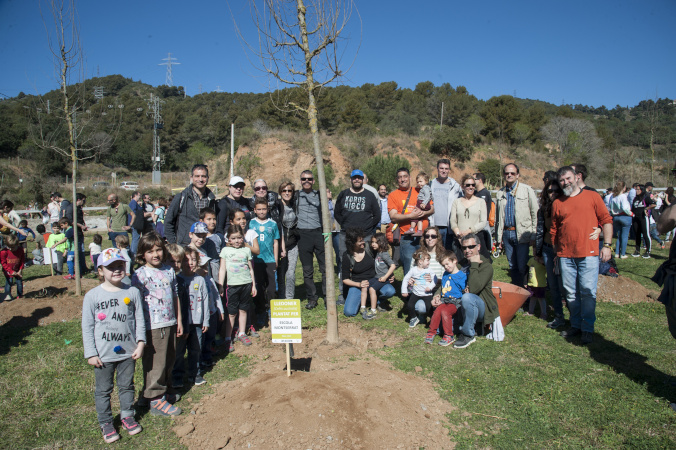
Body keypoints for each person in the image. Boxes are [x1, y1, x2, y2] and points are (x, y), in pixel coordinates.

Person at [81, 248, 145, 443]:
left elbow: (140, 319)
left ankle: (127, 416)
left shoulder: (132, 291)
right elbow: (87, 326)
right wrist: (91, 353)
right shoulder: (92, 296)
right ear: (100, 271)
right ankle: (106, 422)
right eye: (111, 267)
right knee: (103, 390)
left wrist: (141, 342)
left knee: (127, 386)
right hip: (103, 354)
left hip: (128, 352)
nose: (117, 270)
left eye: (120, 265)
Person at [551, 166, 613, 345]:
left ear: (576, 177)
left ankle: (587, 328)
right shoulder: (558, 202)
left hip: (588, 253)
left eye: (568, 178)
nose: (566, 182)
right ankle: (576, 325)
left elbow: (606, 220)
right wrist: (557, 251)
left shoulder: (592, 196)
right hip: (565, 256)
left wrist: (607, 245)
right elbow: (554, 229)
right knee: (570, 293)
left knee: (587, 292)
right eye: (562, 180)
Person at [131, 232, 183, 417]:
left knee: (169, 360)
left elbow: (175, 295)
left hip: (170, 321)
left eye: (158, 250)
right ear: (142, 254)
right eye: (150, 251)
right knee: (156, 363)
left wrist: (179, 320)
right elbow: (135, 304)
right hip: (153, 325)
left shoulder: (169, 270)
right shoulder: (139, 275)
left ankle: (154, 393)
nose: (155, 254)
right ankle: (155, 399)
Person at [334, 169, 381, 298]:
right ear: (351, 179)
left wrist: (368, 227)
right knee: (344, 262)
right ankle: (344, 293)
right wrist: (344, 225)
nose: (357, 180)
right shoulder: (343, 194)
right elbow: (337, 213)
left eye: (359, 178)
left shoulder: (370, 195)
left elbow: (377, 215)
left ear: (363, 180)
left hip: (365, 235)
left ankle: (371, 291)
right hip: (346, 235)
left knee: (368, 261)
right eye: (354, 178)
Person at [495, 163, 539, 288]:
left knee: (522, 264)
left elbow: (534, 212)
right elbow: (498, 218)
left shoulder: (527, 190)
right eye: (507, 173)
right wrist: (499, 237)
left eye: (512, 173)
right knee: (512, 265)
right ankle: (516, 290)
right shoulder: (500, 193)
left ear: (518, 175)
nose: (509, 175)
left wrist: (533, 234)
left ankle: (525, 290)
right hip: (507, 233)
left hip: (522, 233)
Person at [454, 233, 500, 349]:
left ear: (478, 247)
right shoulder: (461, 264)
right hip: (461, 304)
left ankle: (468, 334)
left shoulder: (486, 266)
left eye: (471, 247)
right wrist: (438, 293)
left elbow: (474, 289)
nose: (467, 250)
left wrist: (474, 264)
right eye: (464, 248)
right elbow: (449, 279)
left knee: (467, 297)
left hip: (480, 307)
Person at [173, 247, 209, 388]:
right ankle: (177, 376)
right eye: (187, 260)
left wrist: (205, 320)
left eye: (193, 260)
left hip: (197, 322)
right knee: (179, 351)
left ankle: (195, 373)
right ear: (181, 262)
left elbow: (205, 300)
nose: (190, 263)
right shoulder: (177, 279)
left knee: (196, 349)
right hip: (182, 323)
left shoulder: (200, 279)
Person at [218, 224, 257, 352]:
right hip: (232, 286)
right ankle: (228, 338)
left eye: (239, 238)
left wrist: (253, 285)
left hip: (246, 284)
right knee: (232, 312)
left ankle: (242, 333)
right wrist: (221, 285)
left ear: (243, 238)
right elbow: (222, 269)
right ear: (228, 239)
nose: (236, 241)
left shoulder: (246, 250)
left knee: (244, 309)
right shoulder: (225, 251)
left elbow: (251, 269)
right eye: (233, 238)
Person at [388, 167, 435, 275]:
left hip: (425, 237)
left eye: (405, 176)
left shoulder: (420, 190)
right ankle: (408, 291)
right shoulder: (393, 195)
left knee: (426, 264)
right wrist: (411, 215)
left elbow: (432, 208)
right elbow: (393, 216)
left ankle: (423, 290)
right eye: (400, 177)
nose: (402, 179)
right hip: (407, 238)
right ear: (397, 179)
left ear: (409, 178)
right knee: (409, 265)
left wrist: (424, 213)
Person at [534, 180, 566, 329]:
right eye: (550, 191)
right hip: (548, 249)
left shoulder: (567, 207)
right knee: (552, 285)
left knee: (566, 285)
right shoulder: (544, 210)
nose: (553, 194)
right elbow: (541, 231)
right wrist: (538, 252)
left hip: (565, 251)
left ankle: (576, 319)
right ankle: (559, 316)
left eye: (556, 191)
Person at [294, 170, 327, 310]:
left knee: (325, 268)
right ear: (300, 181)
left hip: (319, 233)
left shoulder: (320, 195)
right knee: (307, 270)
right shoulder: (295, 195)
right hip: (303, 235)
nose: (306, 181)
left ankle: (327, 296)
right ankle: (312, 298)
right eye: (303, 179)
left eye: (309, 179)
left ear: (313, 181)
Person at [165, 164, 218, 245]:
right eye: (197, 176)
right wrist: (173, 244)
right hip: (184, 245)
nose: (200, 179)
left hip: (206, 245)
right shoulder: (181, 197)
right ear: (191, 178)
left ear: (208, 178)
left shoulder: (211, 200)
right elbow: (168, 222)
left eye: (203, 176)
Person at [250, 197, 281, 325]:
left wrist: (275, 258)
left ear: (268, 209)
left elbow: (275, 241)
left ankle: (272, 311)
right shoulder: (251, 223)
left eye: (264, 209)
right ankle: (261, 311)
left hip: (269, 260)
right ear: (255, 210)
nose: (262, 212)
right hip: (256, 260)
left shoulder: (272, 224)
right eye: (259, 209)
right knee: (259, 287)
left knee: (272, 288)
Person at [426, 252, 466, 346]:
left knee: (445, 312)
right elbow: (443, 288)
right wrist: (438, 296)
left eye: (448, 264)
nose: (446, 267)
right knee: (437, 311)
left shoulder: (461, 276)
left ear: (455, 261)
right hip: (445, 300)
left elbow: (464, 289)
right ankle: (432, 332)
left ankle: (449, 335)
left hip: (456, 301)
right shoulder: (445, 274)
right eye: (444, 265)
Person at [450, 174, 489, 259]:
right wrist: (458, 234)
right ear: (462, 187)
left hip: (476, 238)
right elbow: (453, 220)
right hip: (459, 240)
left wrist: (469, 231)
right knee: (461, 265)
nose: (471, 187)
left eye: (473, 185)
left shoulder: (481, 202)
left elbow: (483, 222)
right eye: (468, 185)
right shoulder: (456, 202)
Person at [430, 159, 462, 250]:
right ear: (437, 169)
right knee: (435, 252)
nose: (444, 171)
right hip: (434, 225)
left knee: (448, 252)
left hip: (449, 226)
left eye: (446, 169)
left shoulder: (455, 186)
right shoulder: (431, 184)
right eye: (441, 168)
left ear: (449, 170)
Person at [401, 249, 438, 328]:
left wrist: (430, 287)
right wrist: (404, 291)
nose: (429, 262)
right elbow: (406, 279)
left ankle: (433, 320)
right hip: (416, 293)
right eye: (427, 260)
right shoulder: (413, 270)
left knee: (429, 307)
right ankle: (414, 318)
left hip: (427, 294)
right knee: (410, 305)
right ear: (420, 262)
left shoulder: (429, 270)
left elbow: (435, 279)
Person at [278, 182, 299, 299]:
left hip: (292, 244)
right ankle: (281, 298)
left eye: (289, 190)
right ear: (280, 192)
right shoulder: (277, 206)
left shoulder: (295, 205)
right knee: (281, 275)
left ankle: (289, 299)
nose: (287, 193)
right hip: (280, 246)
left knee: (290, 273)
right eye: (284, 190)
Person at [608, 181, 633, 259]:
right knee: (624, 236)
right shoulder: (623, 196)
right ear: (624, 188)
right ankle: (623, 254)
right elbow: (625, 208)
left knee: (619, 236)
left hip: (615, 217)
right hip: (625, 216)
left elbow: (610, 207)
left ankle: (617, 253)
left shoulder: (612, 196)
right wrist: (631, 214)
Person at [631, 184, 655, 259]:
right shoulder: (635, 198)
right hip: (635, 218)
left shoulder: (645, 197)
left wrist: (646, 208)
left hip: (643, 218)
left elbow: (654, 204)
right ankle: (637, 250)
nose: (637, 191)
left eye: (638, 189)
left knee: (645, 234)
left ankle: (648, 251)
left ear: (642, 190)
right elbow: (633, 208)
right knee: (637, 234)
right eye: (636, 189)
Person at [407, 172, 433, 236]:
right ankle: (419, 230)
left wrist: (424, 203)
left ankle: (412, 228)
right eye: (418, 182)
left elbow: (427, 196)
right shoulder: (425, 188)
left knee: (415, 214)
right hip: (422, 202)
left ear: (426, 181)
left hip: (422, 202)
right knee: (419, 218)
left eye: (421, 181)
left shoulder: (425, 188)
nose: (419, 183)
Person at [473, 172, 494, 251]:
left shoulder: (484, 193)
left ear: (480, 180)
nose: (472, 182)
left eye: (474, 179)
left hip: (483, 224)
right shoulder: (476, 193)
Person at [1, 234, 25, 301]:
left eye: (13, 247)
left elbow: (22, 260)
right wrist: (10, 271)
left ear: (17, 244)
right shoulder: (4, 252)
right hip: (8, 270)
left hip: (17, 269)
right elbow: (3, 263)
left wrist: (20, 269)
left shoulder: (20, 250)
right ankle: (8, 296)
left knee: (19, 282)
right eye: (9, 247)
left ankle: (20, 296)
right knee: (9, 283)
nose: (11, 249)